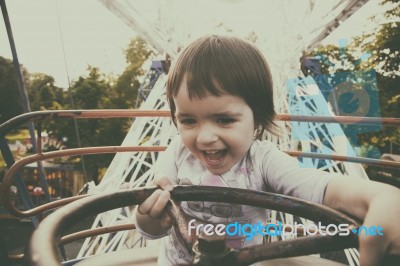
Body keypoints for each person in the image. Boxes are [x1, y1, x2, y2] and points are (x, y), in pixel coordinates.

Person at [134, 35, 400, 265]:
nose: (204, 138)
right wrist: (149, 220)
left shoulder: (263, 161)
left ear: (258, 119)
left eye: (224, 120)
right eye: (188, 120)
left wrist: (382, 198)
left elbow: (324, 187)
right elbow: (153, 222)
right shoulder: (177, 153)